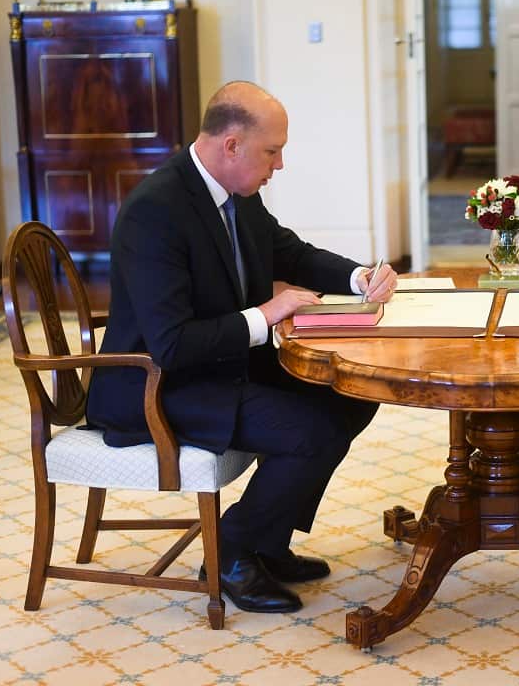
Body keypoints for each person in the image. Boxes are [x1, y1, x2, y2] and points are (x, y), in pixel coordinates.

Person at [87, 81, 398, 614]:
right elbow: (172, 343)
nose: (279, 165)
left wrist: (358, 275)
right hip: (155, 382)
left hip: (218, 364)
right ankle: (230, 550)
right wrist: (265, 315)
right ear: (232, 144)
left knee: (349, 391)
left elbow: (291, 253)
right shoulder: (155, 210)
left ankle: (266, 544)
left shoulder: (236, 195)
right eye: (272, 151)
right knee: (308, 430)